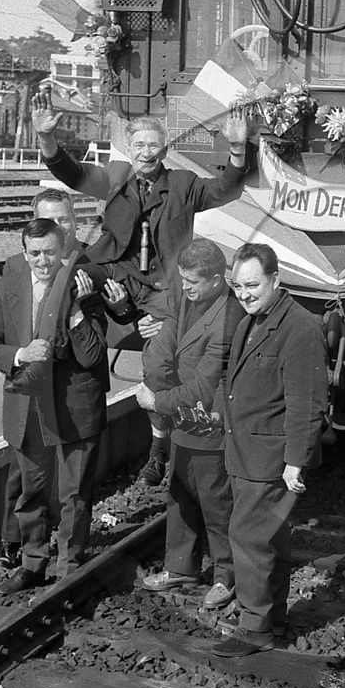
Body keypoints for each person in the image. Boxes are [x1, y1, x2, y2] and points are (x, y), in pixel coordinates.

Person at [31, 94, 253, 490]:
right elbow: (72, 173)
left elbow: (225, 188)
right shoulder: (115, 179)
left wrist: (237, 148)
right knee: (69, 277)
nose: (146, 152)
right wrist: (48, 139)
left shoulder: (183, 185)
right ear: (128, 151)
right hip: (117, 272)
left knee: (157, 367)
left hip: (166, 291)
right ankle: (51, 359)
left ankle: (157, 452)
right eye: (139, 146)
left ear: (164, 149)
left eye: (153, 145)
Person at [0, 218, 111, 593]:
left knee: (74, 494)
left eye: (49, 252)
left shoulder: (83, 286)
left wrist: (78, 311)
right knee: (31, 493)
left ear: (62, 250)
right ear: (24, 253)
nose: (43, 261)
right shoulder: (7, 288)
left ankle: (69, 568)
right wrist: (19, 354)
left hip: (74, 407)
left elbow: (93, 354)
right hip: (29, 408)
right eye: (34, 253)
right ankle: (32, 564)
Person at [213, 243, 327, 658]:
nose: (244, 293)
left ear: (276, 280)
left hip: (270, 458)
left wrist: (296, 460)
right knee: (270, 542)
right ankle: (270, 618)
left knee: (249, 539)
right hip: (247, 451)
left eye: (252, 285)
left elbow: (307, 402)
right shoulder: (253, 320)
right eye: (238, 286)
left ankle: (254, 627)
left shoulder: (300, 328)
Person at [131, 239, 245, 609]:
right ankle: (181, 566)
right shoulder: (187, 296)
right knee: (180, 494)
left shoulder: (229, 317)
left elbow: (206, 384)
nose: (187, 287)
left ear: (216, 279)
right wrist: (157, 383)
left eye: (193, 281)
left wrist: (156, 400)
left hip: (212, 422)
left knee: (216, 501)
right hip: (183, 418)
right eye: (182, 279)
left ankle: (227, 575)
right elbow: (165, 345)